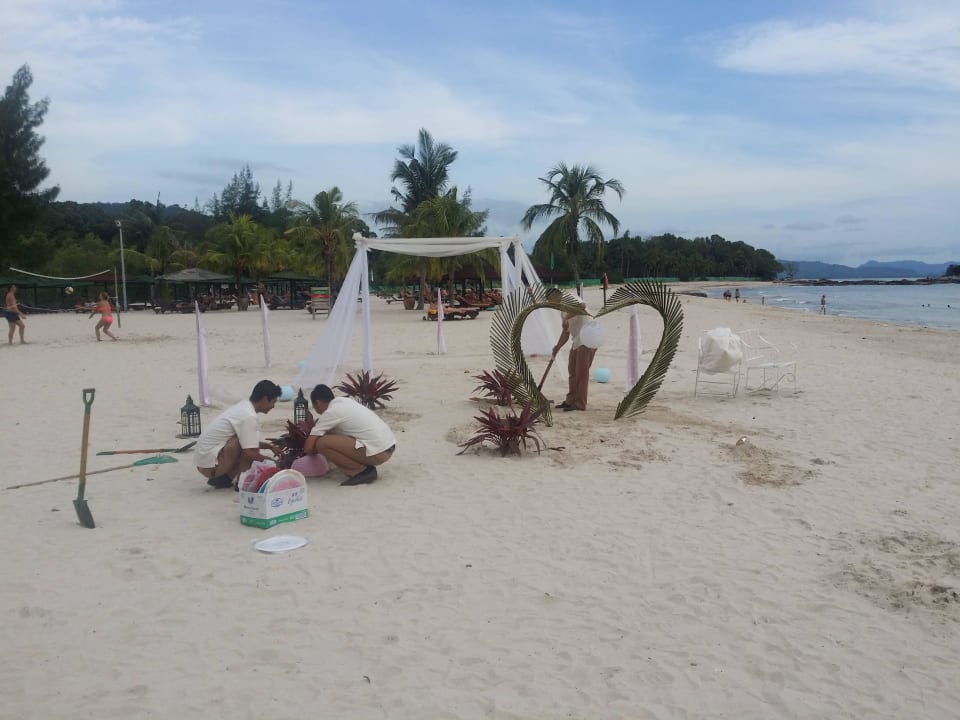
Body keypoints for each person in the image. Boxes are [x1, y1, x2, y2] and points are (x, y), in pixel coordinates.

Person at [193, 380, 282, 489]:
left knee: (246, 445)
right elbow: (249, 451)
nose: (273, 406)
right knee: (249, 450)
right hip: (210, 466)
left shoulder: (244, 406)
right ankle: (241, 484)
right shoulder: (248, 416)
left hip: (205, 461)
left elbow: (249, 440)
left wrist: (269, 446)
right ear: (264, 399)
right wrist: (274, 463)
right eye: (273, 402)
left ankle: (223, 479)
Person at [304, 384, 397, 486]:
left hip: (379, 453)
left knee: (322, 443)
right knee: (330, 435)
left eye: (314, 407)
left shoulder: (331, 412)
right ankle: (361, 466)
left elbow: (308, 447)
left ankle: (361, 471)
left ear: (318, 403)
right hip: (387, 446)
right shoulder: (345, 402)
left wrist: (310, 454)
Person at [550, 291, 596, 412]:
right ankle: (570, 400)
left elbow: (582, 306)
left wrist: (566, 317)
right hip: (577, 340)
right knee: (572, 371)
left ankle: (580, 404)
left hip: (588, 336)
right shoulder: (562, 311)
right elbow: (566, 333)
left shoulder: (568, 297)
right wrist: (557, 346)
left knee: (581, 373)